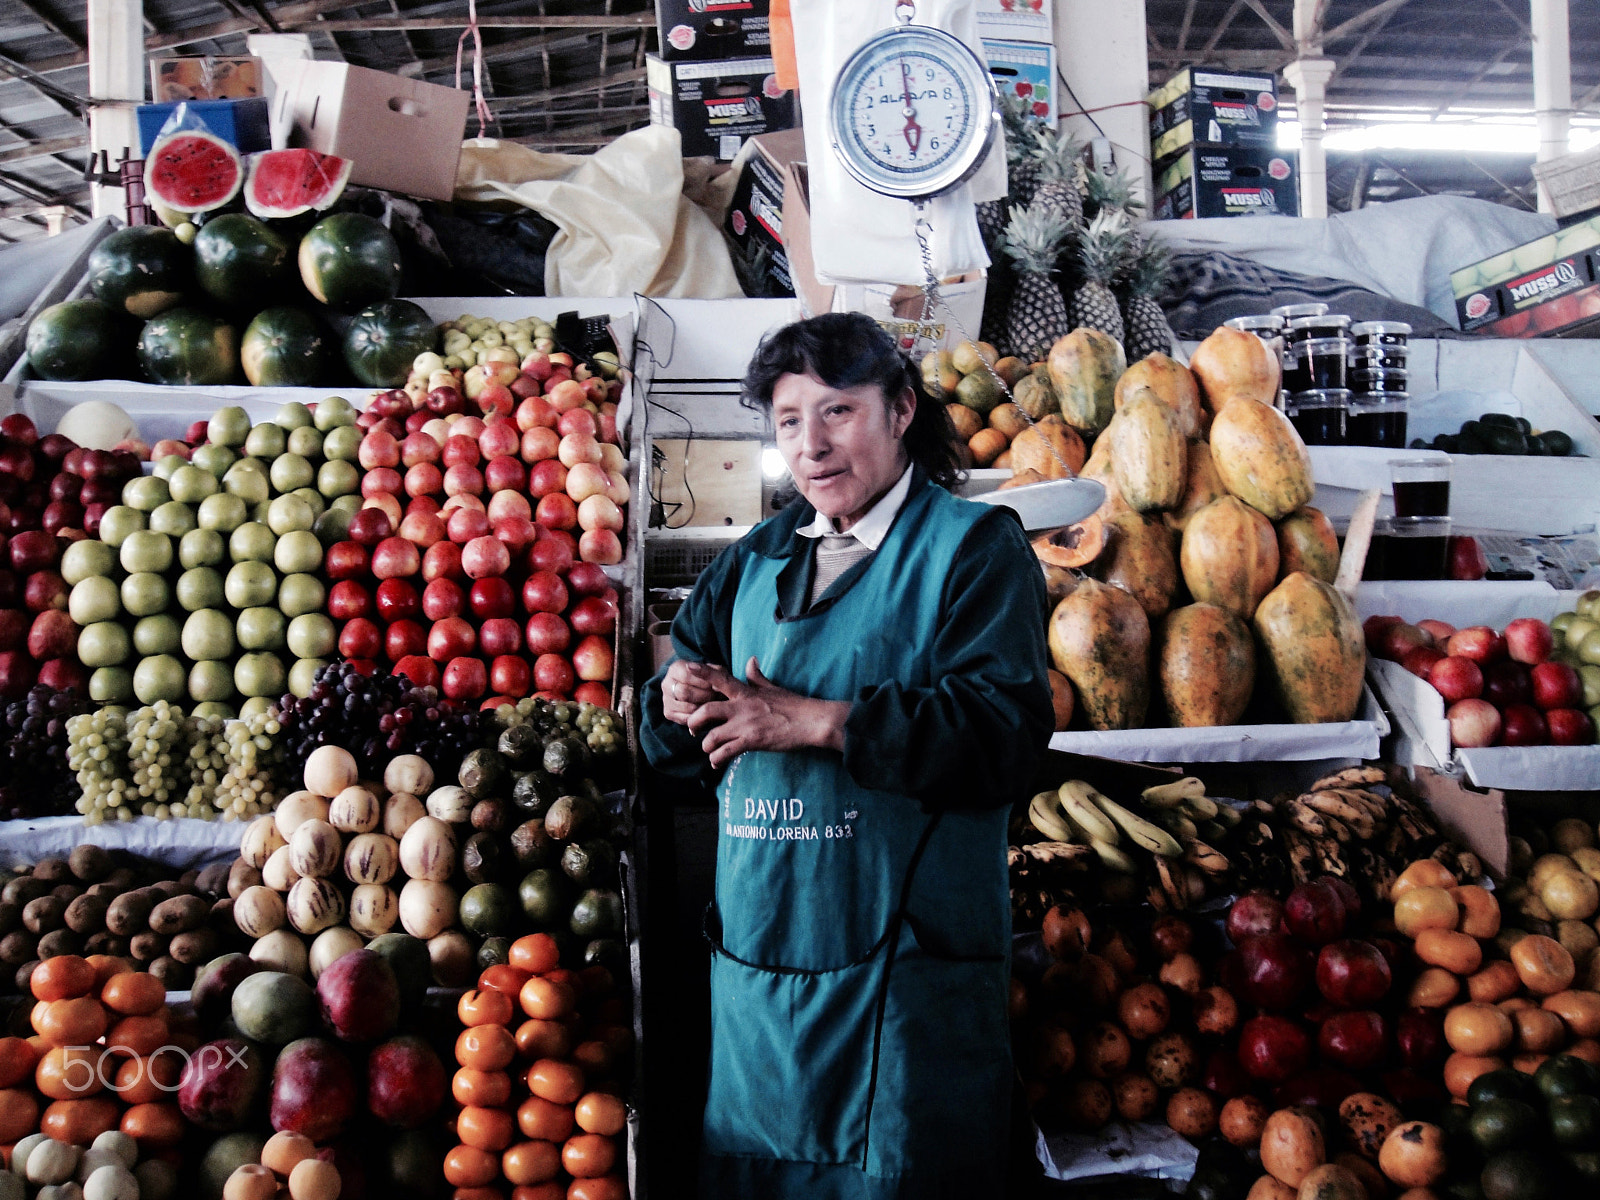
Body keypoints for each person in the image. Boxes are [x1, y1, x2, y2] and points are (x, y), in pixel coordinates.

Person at [640, 312, 1053, 1199]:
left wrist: (821, 723)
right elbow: (671, 759)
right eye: (790, 422)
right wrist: (671, 705)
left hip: (905, 987)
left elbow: (1006, 739)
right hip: (761, 985)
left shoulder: (974, 551)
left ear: (900, 410)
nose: (812, 446)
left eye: (837, 412)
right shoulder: (750, 561)